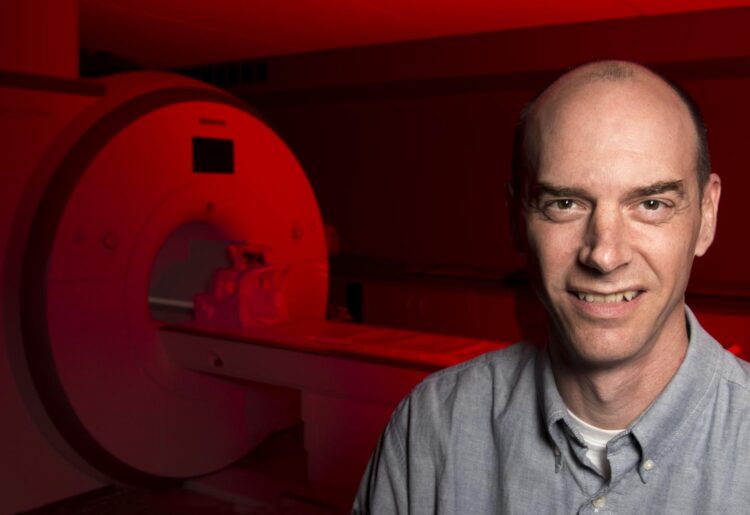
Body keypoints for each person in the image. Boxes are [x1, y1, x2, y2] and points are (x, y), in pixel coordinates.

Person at [353, 60, 750, 513]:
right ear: (515, 219)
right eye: (565, 203)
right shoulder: (431, 426)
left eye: (652, 204)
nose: (604, 255)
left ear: (707, 217)